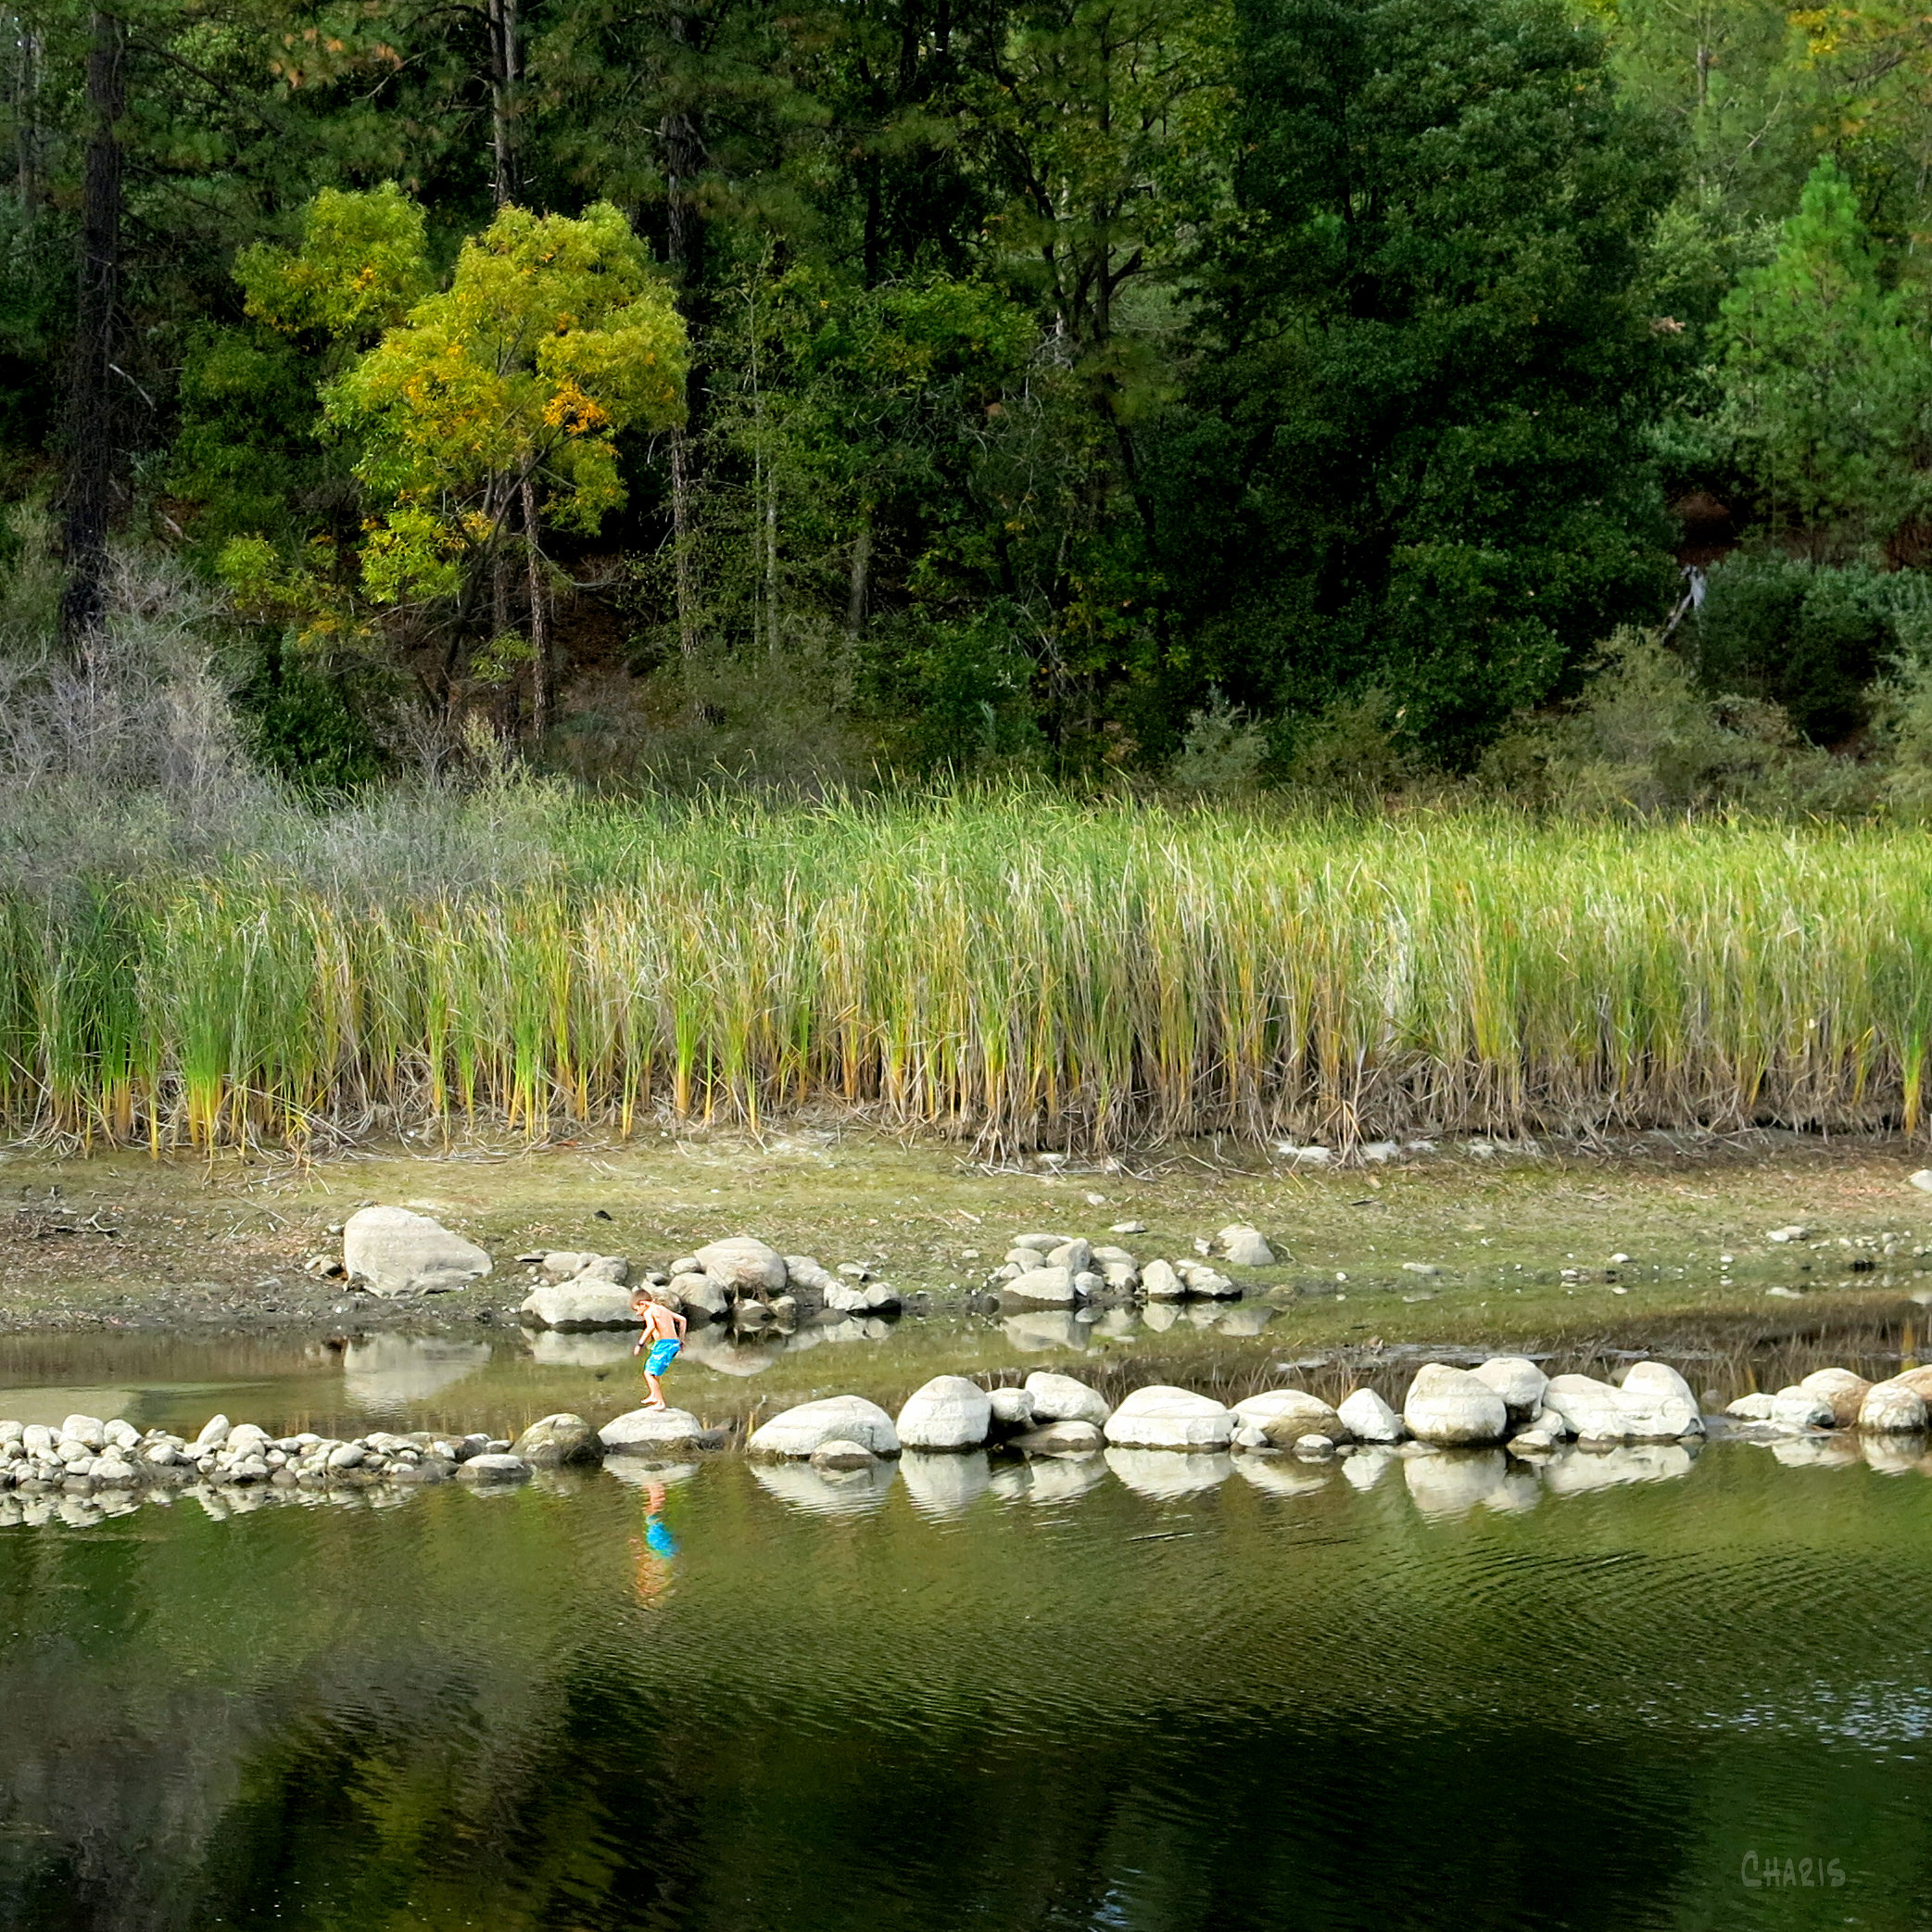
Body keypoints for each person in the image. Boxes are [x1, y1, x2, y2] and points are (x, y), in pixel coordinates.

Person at [631, 1287, 687, 1409]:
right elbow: (683, 1320)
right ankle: (653, 1394)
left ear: (643, 1304)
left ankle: (660, 1402)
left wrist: (640, 1344)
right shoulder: (662, 1309)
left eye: (637, 1309)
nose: (637, 1313)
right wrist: (681, 1340)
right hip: (673, 1344)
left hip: (664, 1345)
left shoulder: (649, 1311)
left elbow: (650, 1327)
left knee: (648, 1373)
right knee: (654, 1371)